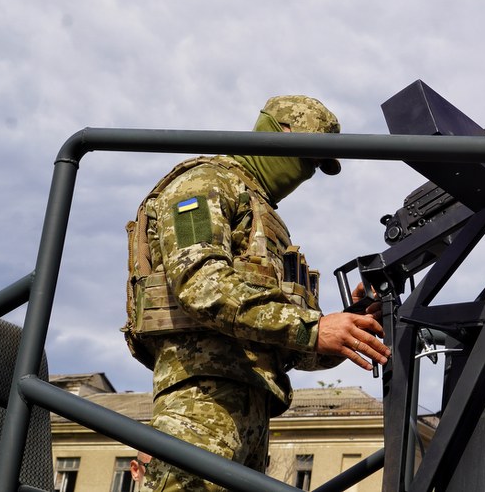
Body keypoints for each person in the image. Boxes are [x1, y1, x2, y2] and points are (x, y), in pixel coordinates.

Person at [121, 95, 389, 492]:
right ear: (280, 133)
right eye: (310, 157)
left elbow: (292, 345)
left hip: (254, 412)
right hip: (201, 403)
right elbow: (201, 284)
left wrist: (353, 321)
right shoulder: (205, 182)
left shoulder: (267, 222)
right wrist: (312, 328)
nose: (309, 172)